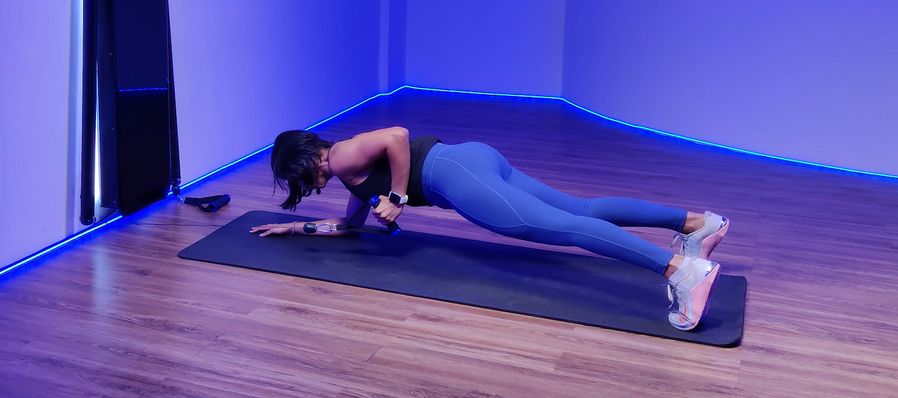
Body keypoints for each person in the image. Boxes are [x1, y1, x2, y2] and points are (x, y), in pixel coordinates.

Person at [249, 127, 729, 331]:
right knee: (580, 208)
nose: (305, 186)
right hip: (471, 157)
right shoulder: (349, 178)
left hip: (457, 178)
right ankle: (696, 223)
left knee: (565, 227)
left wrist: (397, 197)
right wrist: (292, 229)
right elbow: (345, 225)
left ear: (306, 159)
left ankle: (682, 270)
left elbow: (396, 136)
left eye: (297, 178)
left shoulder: (341, 156)